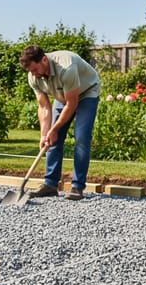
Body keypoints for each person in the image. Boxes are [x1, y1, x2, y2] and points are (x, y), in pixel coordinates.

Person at [18, 45, 101, 200]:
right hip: (62, 96)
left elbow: (72, 104)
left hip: (86, 92)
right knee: (52, 140)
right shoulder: (33, 77)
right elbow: (43, 107)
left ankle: (77, 187)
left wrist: (54, 129)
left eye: (35, 70)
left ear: (44, 59)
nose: (33, 74)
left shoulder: (66, 67)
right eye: (30, 71)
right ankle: (50, 185)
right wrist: (45, 134)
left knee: (81, 138)